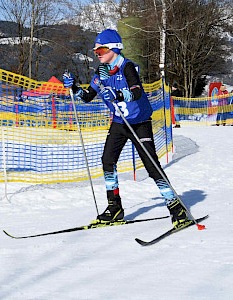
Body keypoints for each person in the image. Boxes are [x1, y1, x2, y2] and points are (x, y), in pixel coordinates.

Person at [63, 29, 190, 229]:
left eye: (101, 50)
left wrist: (119, 95)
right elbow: (87, 96)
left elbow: (137, 92)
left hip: (139, 123)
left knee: (151, 166)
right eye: (96, 51)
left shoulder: (127, 67)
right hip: (119, 123)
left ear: (114, 48)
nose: (98, 54)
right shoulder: (102, 71)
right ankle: (115, 209)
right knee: (107, 161)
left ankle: (177, 209)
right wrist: (74, 88)